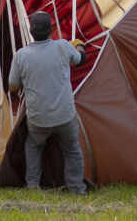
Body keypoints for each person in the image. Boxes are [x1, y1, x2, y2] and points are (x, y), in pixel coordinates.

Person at [7, 11, 87, 193]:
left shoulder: (21, 55)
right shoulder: (63, 46)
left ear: (31, 32)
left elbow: (13, 86)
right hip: (65, 116)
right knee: (72, 150)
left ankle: (33, 187)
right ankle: (77, 189)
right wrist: (79, 45)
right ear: (51, 30)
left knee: (33, 147)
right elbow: (81, 60)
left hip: (38, 119)